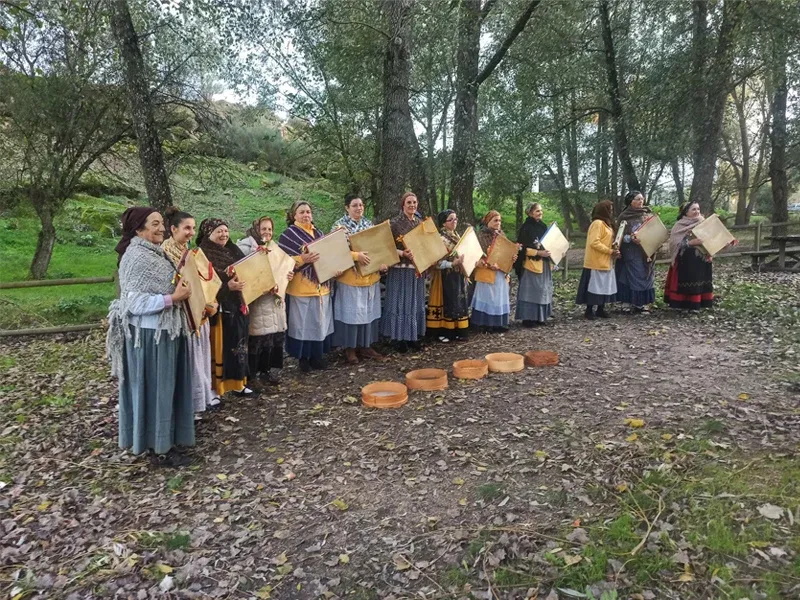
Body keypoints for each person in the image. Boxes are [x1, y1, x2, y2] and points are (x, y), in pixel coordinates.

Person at [106, 206, 194, 467]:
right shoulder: (135, 258)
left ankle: (168, 440)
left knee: (168, 389)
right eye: (154, 224)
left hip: (166, 330)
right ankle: (159, 449)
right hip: (149, 335)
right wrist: (173, 298)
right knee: (157, 391)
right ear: (138, 228)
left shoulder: (154, 253)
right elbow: (133, 303)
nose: (161, 229)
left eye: (161, 224)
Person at [162, 207, 220, 416]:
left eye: (193, 228)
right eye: (187, 228)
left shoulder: (190, 250)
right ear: (173, 229)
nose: (191, 233)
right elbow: (180, 285)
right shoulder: (166, 252)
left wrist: (211, 301)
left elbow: (205, 280)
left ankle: (202, 398)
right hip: (185, 314)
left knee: (200, 357)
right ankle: (189, 405)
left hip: (200, 312)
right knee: (190, 360)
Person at [278, 201, 335, 372]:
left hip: (321, 286)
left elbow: (328, 254)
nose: (306, 215)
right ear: (294, 215)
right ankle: (303, 359)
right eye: (301, 212)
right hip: (300, 287)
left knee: (319, 322)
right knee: (302, 324)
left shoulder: (318, 233)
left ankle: (317, 357)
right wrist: (303, 259)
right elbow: (282, 261)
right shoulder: (288, 235)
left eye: (308, 212)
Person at [331, 194, 388, 364]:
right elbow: (334, 251)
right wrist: (356, 256)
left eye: (361, 205)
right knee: (352, 314)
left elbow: (377, 248)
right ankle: (350, 348)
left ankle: (366, 345)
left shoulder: (368, 224)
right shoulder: (339, 227)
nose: (359, 208)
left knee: (368, 312)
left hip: (370, 276)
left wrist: (382, 263)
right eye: (354, 205)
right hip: (351, 277)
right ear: (347, 207)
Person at [197, 218, 253, 396]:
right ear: (208, 233)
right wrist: (227, 287)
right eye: (218, 231)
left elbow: (248, 270)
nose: (224, 234)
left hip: (238, 305)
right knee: (222, 347)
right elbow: (205, 284)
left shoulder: (233, 250)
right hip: (220, 310)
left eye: (225, 231)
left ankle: (239, 383)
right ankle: (217, 388)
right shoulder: (203, 254)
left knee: (240, 343)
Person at [237, 216, 293, 386]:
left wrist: (287, 276)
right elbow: (243, 273)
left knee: (272, 337)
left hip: (274, 299)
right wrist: (262, 285)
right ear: (256, 229)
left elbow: (281, 268)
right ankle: (252, 375)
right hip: (258, 301)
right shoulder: (245, 248)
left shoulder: (274, 248)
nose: (267, 232)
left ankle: (267, 371)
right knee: (257, 339)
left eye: (269, 229)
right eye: (263, 229)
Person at [382, 192, 426, 352]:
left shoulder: (420, 224)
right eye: (409, 202)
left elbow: (424, 246)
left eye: (414, 202)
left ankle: (412, 336)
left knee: (414, 303)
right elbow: (385, 246)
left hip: (416, 269)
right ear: (403, 205)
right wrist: (402, 254)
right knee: (400, 303)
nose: (412, 205)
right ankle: (398, 338)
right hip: (400, 269)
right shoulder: (394, 224)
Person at [426, 209, 470, 342]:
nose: (454, 222)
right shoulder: (440, 239)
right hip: (444, 276)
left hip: (458, 275)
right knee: (447, 302)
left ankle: (458, 330)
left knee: (458, 301)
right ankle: (444, 331)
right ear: (443, 223)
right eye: (451, 219)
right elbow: (435, 261)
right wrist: (452, 263)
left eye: (455, 219)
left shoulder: (456, 236)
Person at [664, 202, 716, 310]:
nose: (697, 211)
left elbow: (713, 238)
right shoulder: (679, 225)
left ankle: (698, 304)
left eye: (698, 209)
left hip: (701, 259)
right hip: (685, 261)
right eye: (693, 209)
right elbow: (674, 244)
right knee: (687, 282)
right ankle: (682, 305)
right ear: (686, 212)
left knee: (700, 280)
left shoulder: (704, 223)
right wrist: (690, 243)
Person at [576, 200, 620, 320]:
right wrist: (609, 251)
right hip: (596, 261)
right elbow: (594, 242)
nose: (611, 211)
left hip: (606, 260)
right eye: (609, 209)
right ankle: (589, 310)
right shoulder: (597, 224)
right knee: (594, 286)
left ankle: (601, 309)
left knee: (604, 285)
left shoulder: (607, 224)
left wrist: (614, 250)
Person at [472, 210, 513, 332]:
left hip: (500, 271)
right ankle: (485, 323)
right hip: (486, 271)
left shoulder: (502, 235)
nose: (498, 223)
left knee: (499, 297)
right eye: (495, 220)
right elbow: (477, 254)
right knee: (487, 297)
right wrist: (489, 264)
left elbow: (506, 252)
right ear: (488, 221)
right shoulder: (481, 236)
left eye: (500, 220)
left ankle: (499, 323)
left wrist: (512, 257)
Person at [615, 191, 656, 313]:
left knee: (645, 275)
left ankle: (640, 303)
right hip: (631, 251)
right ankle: (629, 302)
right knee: (630, 276)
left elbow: (654, 230)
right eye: (637, 199)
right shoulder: (624, 216)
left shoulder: (647, 215)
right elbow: (619, 235)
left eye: (642, 199)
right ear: (630, 201)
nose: (640, 201)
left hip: (646, 251)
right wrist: (630, 238)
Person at [514, 203, 554, 327]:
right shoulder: (526, 228)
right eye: (537, 211)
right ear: (530, 213)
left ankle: (539, 317)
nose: (540, 213)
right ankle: (528, 318)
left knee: (542, 290)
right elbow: (522, 248)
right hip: (531, 264)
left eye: (541, 210)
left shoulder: (543, 226)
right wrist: (538, 252)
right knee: (531, 291)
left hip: (544, 264)